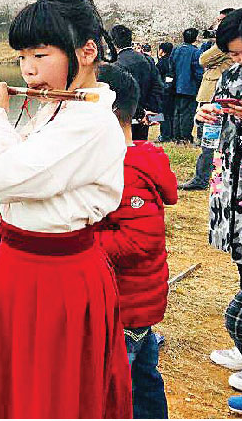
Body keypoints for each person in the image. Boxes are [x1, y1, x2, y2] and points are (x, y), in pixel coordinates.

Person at [0, 0, 132, 418]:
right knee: (19, 386)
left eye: (40, 55)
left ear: (86, 52)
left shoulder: (90, 123)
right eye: (22, 57)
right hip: (24, 268)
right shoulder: (59, 108)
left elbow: (0, 178)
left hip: (57, 277)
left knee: (52, 394)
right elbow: (12, 170)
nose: (28, 70)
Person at [95, 63, 177, 419]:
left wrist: (81, 241)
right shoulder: (134, 159)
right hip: (136, 304)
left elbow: (137, 241)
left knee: (117, 387)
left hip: (126, 305)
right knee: (144, 378)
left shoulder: (125, 171)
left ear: (108, 112)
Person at [197, 9, 242, 389]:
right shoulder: (230, 75)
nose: (239, 60)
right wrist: (210, 115)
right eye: (234, 54)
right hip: (230, 171)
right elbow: (216, 116)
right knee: (240, 254)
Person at [180, 13, 235, 190]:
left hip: (215, 94)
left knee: (210, 140)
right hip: (212, 93)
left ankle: (202, 178)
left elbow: (203, 59)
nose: (217, 24)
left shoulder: (227, 41)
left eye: (220, 20)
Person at [111, 24, 164, 141]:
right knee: (140, 146)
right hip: (145, 114)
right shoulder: (147, 60)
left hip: (124, 116)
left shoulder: (116, 64)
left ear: (113, 42)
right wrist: (150, 111)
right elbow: (158, 86)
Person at [169, 28, 203, 143]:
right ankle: (185, 136)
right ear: (195, 38)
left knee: (177, 111)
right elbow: (198, 71)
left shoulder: (176, 49)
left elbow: (171, 66)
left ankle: (176, 135)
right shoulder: (196, 52)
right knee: (187, 113)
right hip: (190, 86)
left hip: (176, 85)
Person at [156, 42, 175, 142]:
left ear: (162, 51)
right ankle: (172, 134)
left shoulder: (161, 63)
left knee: (164, 114)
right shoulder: (173, 61)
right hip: (173, 91)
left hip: (163, 91)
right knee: (172, 114)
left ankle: (165, 135)